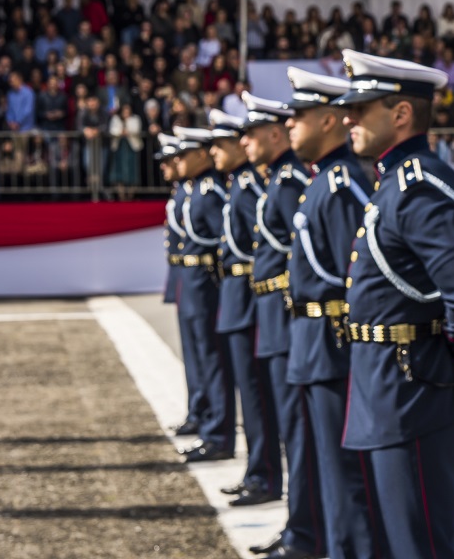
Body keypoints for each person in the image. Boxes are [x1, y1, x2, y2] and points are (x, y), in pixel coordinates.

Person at [335, 50, 454, 559]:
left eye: (362, 109)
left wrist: (452, 360)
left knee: (423, 542)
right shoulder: (394, 183)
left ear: (401, 114)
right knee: (401, 536)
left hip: (412, 388)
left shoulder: (416, 187)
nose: (348, 118)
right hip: (388, 386)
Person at [283, 67, 381, 558]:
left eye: (299, 117)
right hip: (312, 342)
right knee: (322, 465)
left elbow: (356, 273)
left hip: (330, 341)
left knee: (345, 474)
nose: (289, 127)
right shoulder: (323, 181)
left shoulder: (341, 183)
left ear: (327, 121)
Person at [240, 92, 326, 559]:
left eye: (253, 134)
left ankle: (305, 530)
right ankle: (301, 526)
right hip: (274, 313)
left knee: (298, 432)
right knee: (293, 428)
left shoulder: (291, 178)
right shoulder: (279, 178)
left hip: (286, 311)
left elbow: (304, 250)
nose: (246, 142)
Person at [207, 109, 283, 510]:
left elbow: (267, 242)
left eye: (222, 144)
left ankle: (264, 473)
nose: (215, 152)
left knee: (257, 397)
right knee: (251, 396)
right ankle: (258, 469)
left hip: (253, 297)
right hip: (239, 296)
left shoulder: (254, 184)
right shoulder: (241, 182)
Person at [170, 126, 235, 464]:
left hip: (206, 284)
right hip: (192, 281)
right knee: (201, 358)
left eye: (183, 155)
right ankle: (209, 424)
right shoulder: (197, 190)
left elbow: (227, 241)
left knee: (213, 361)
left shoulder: (209, 191)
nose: (177, 162)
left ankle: (217, 431)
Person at [158, 133, 209, 437]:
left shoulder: (203, 191)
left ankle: (207, 415)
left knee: (205, 355)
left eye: (174, 158)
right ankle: (199, 411)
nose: (169, 165)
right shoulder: (185, 191)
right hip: (185, 277)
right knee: (194, 354)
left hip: (201, 279)